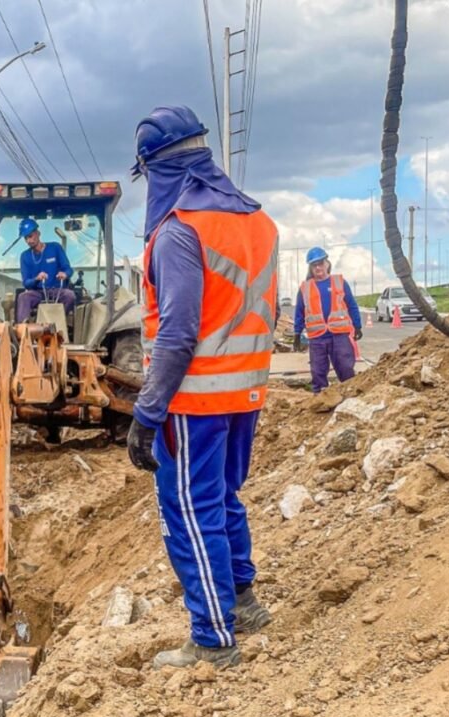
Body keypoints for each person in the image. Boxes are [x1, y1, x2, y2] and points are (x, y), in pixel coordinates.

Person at [125, 105, 277, 669]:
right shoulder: (259, 223)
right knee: (223, 500)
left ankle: (213, 638)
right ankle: (244, 603)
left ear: (155, 169)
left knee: (190, 512)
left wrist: (147, 412)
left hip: (195, 401)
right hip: (246, 393)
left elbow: (177, 334)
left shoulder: (178, 232)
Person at [292, 247, 361, 393]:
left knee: (346, 367)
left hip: (339, 335)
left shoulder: (339, 282)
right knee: (317, 371)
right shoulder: (305, 287)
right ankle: (320, 399)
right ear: (310, 268)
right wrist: (297, 333)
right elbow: (299, 312)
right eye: (314, 265)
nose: (318, 267)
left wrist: (358, 325)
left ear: (327, 263)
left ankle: (350, 395)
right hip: (318, 338)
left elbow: (352, 305)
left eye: (320, 263)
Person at [15, 218, 76, 323]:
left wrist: (65, 274)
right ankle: (23, 330)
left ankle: (57, 320)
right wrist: (36, 279)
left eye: (30, 236)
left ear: (38, 233)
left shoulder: (55, 247)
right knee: (23, 297)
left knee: (70, 296)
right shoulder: (25, 256)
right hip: (37, 292)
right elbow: (26, 283)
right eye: (26, 238)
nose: (29, 240)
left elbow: (68, 269)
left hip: (56, 291)